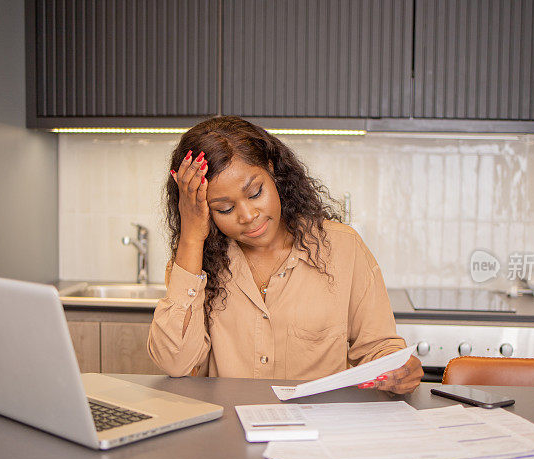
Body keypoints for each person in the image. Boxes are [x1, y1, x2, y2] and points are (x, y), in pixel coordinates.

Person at [147, 116, 423, 394]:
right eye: (225, 209)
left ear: (272, 170)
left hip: (321, 431)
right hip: (227, 431)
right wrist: (192, 235)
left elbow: (379, 347)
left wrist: (398, 369)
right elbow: (175, 363)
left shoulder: (343, 248)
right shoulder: (195, 264)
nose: (248, 216)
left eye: (255, 193)